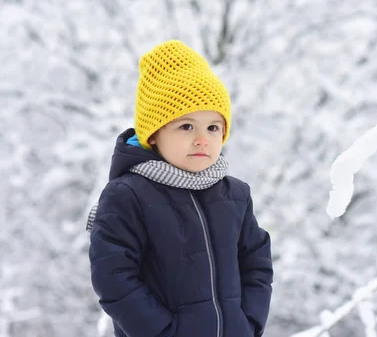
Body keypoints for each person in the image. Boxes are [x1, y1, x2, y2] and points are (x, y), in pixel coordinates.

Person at [87, 40, 273, 337]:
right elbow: (114, 278)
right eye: (186, 126)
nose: (202, 139)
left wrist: (248, 324)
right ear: (155, 134)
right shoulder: (127, 195)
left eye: (213, 127)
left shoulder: (235, 195)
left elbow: (257, 265)